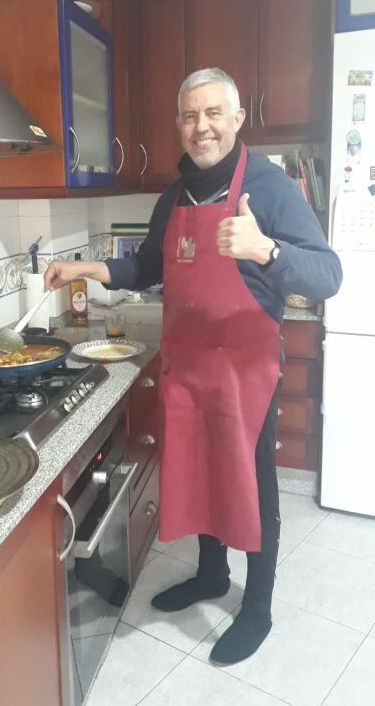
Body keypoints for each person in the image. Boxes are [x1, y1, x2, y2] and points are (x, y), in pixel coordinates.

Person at [44, 68, 343, 666]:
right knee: (204, 472)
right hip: (189, 367)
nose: (200, 127)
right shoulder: (174, 195)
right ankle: (210, 576)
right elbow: (148, 266)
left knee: (255, 489)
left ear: (237, 119)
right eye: (188, 115)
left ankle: (256, 607)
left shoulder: (272, 187)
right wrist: (89, 269)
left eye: (212, 114)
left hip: (247, 371)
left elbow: (329, 274)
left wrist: (266, 249)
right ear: (179, 124)